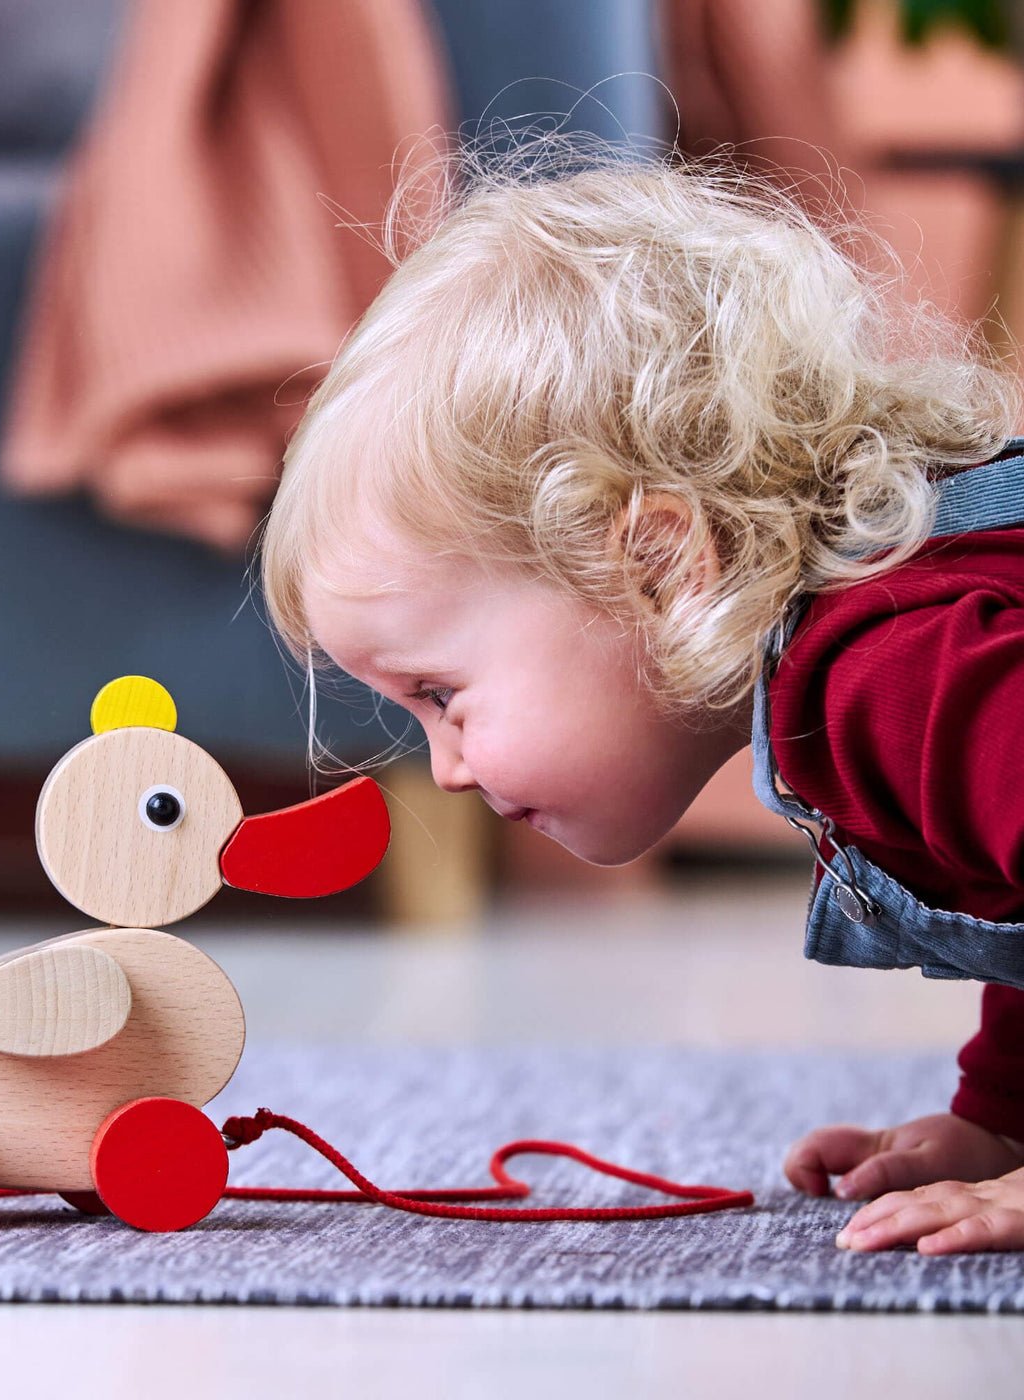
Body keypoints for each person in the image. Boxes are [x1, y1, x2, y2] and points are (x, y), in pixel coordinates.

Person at [256, 131, 1024, 1254]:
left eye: (441, 691)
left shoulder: (893, 668)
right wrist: (998, 1116)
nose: (447, 765)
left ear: (658, 567)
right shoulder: (876, 652)